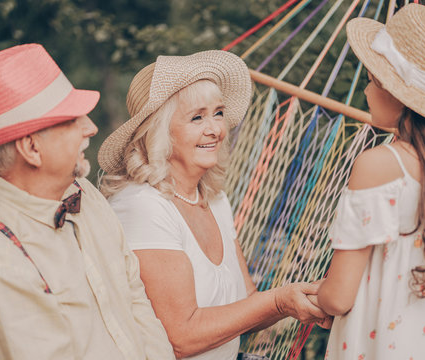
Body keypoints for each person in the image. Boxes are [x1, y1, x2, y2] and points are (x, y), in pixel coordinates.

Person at [98, 50, 330, 360]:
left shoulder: (214, 199)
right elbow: (181, 338)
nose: (216, 130)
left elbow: (246, 304)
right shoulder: (142, 206)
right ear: (159, 131)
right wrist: (279, 302)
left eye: (218, 113)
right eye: (197, 117)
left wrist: (304, 296)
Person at [0, 44, 174, 360]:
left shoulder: (82, 190)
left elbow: (134, 300)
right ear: (31, 148)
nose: (90, 127)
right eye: (72, 120)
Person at [310, 4, 425, 360]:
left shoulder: (378, 164)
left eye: (372, 80)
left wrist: (314, 296)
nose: (366, 91)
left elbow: (338, 297)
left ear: (398, 94)